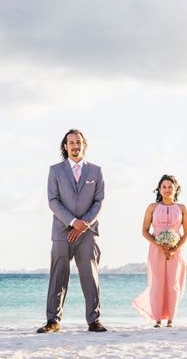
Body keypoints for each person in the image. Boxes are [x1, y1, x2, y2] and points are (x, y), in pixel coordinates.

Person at [37, 129, 107, 333]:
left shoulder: (96, 171)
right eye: (71, 143)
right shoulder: (55, 171)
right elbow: (53, 201)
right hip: (61, 231)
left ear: (84, 145)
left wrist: (83, 223)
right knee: (58, 275)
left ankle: (94, 320)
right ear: (65, 146)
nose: (75, 146)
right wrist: (72, 221)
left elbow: (99, 201)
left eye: (78, 142)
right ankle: (53, 320)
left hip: (88, 231)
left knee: (90, 276)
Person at [133, 174, 187, 327]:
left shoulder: (182, 208)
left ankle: (171, 319)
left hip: (176, 252)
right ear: (159, 189)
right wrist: (158, 244)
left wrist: (174, 248)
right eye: (164, 187)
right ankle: (157, 319)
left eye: (170, 186)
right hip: (156, 251)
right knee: (157, 283)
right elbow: (145, 231)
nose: (167, 189)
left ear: (176, 189)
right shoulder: (152, 207)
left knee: (173, 284)